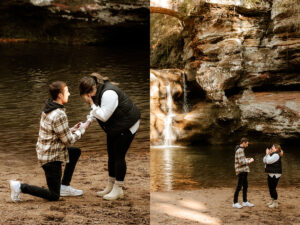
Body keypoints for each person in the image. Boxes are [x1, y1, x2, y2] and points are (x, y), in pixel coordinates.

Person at [9, 81, 90, 202]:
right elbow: (68, 141)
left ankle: (65, 186)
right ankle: (20, 187)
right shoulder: (59, 114)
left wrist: (71, 129)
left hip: (45, 151)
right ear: (60, 95)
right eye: (67, 91)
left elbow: (54, 132)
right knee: (54, 196)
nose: (69, 93)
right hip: (51, 158)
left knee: (74, 152)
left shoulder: (49, 107)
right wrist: (82, 129)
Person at [79, 72, 141, 201]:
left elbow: (103, 116)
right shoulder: (96, 91)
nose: (87, 97)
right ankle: (110, 185)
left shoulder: (108, 93)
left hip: (128, 124)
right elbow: (97, 111)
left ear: (91, 90)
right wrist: (87, 122)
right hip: (115, 126)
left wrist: (91, 104)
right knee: (111, 155)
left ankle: (118, 189)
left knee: (119, 156)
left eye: (86, 95)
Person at [233, 137, 255, 209]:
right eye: (247, 144)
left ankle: (245, 202)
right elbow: (241, 162)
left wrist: (247, 159)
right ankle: (235, 202)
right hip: (241, 170)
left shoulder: (241, 149)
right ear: (243, 143)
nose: (247, 145)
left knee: (245, 186)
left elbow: (242, 159)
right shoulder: (239, 150)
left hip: (244, 170)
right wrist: (250, 161)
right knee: (239, 186)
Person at [263, 144, 283, 208]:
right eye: (271, 147)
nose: (271, 148)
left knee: (273, 188)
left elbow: (268, 161)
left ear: (276, 149)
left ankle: (275, 203)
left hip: (275, 174)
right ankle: (272, 200)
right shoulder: (272, 154)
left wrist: (267, 154)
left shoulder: (276, 155)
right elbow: (264, 160)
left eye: (273, 147)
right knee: (270, 188)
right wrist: (267, 154)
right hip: (271, 173)